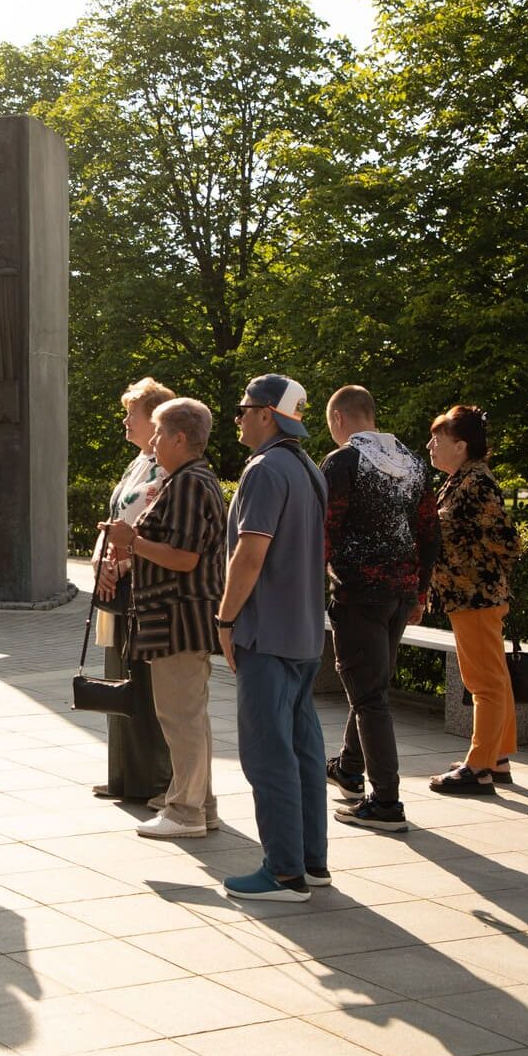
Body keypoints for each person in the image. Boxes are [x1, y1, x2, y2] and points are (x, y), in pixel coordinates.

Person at [217, 374, 330, 902]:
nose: (238, 417)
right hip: (306, 633)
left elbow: (251, 553)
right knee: (304, 751)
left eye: (244, 409)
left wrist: (224, 619)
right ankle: (311, 862)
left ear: (267, 413)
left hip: (267, 635)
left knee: (269, 756)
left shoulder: (264, 470)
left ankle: (283, 874)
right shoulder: (309, 468)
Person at [100, 397, 227, 839]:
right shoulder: (187, 480)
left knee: (181, 717)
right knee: (189, 715)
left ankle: (185, 811)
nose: (152, 442)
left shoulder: (189, 483)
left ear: (179, 438)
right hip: (179, 617)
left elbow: (185, 558)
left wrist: (129, 541)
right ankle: (200, 804)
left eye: (158, 433)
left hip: (178, 617)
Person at [320, 386, 440, 833]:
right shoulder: (412, 463)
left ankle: (386, 801)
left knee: (370, 696)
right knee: (373, 684)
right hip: (402, 591)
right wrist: (421, 591)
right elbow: (430, 534)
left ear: (338, 421)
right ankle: (349, 769)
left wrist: (311, 589)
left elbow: (324, 532)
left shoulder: (343, 462)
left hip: (358, 593)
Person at [426, 405, 522, 795]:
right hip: (469, 596)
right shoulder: (460, 479)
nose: (430, 445)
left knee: (483, 682)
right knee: (492, 677)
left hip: (477, 596)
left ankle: (479, 766)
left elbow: (509, 542)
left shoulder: (476, 483)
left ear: (460, 445)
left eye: (438, 439)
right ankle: (497, 757)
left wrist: (476, 564)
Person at [91, 377, 176, 807]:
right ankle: (125, 777)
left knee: (142, 685)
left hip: (140, 585)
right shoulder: (139, 463)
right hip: (118, 584)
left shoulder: (165, 471)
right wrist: (100, 563)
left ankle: (155, 781)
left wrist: (119, 564)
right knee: (119, 680)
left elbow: (151, 529)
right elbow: (114, 516)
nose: (125, 420)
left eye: (132, 414)